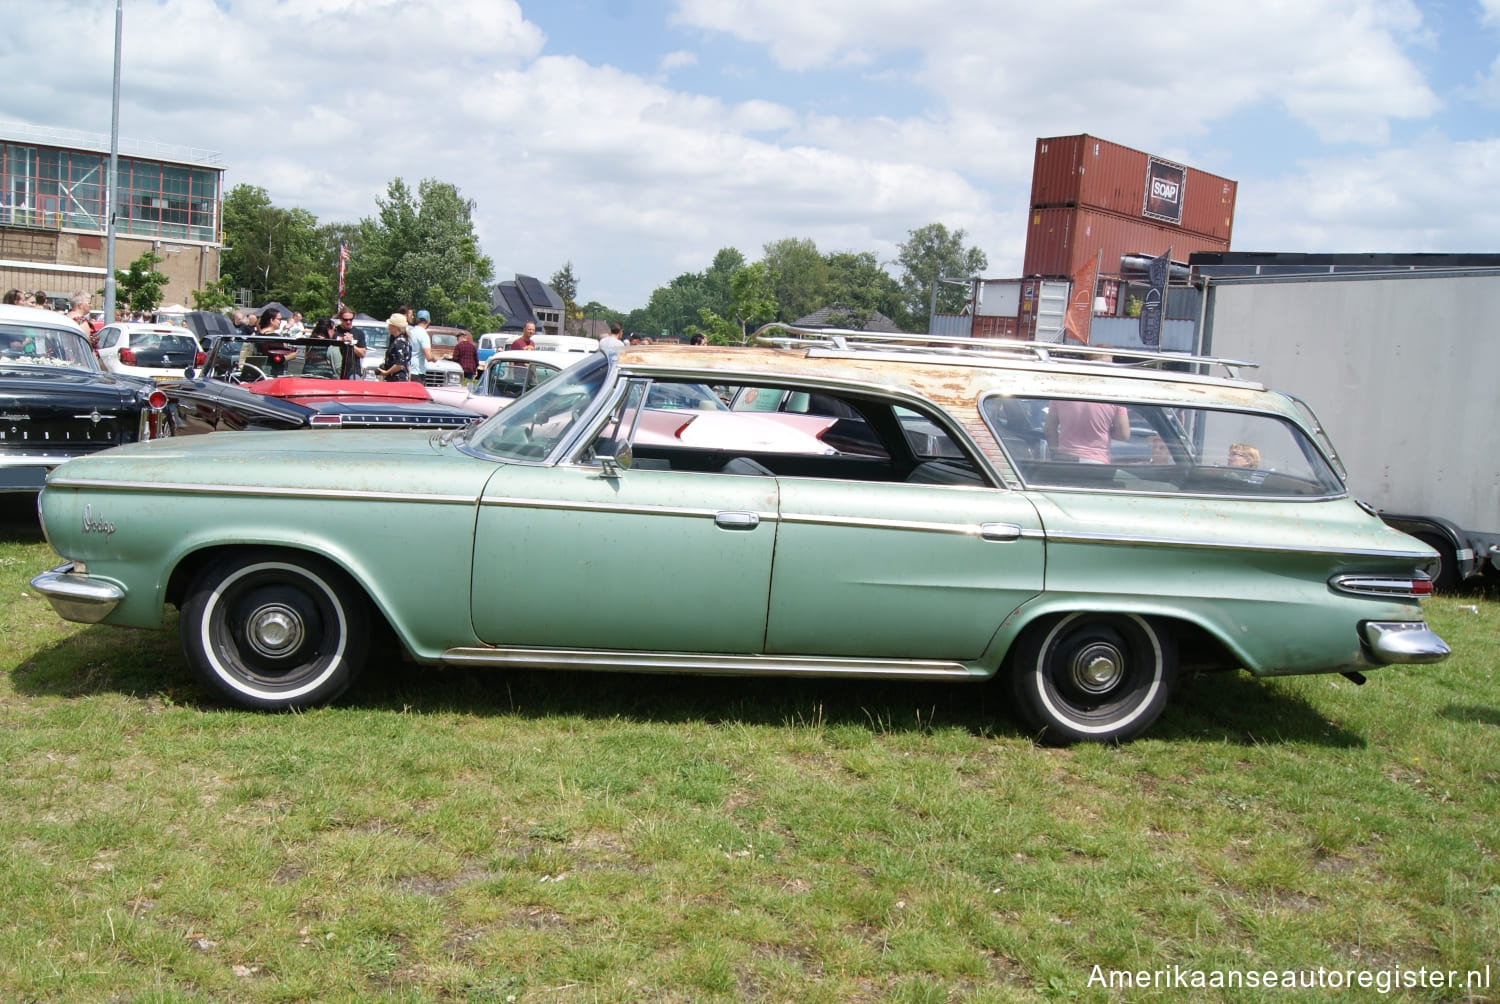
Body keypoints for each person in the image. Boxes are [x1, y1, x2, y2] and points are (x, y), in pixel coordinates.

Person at [1044, 399, 1130, 463]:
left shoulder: (1061, 394)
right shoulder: (1114, 396)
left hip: (1066, 458)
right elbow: (1123, 434)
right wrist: (1105, 430)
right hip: (1097, 461)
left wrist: (1056, 455)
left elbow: (1049, 430)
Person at [377, 312, 411, 381]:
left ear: (395, 327)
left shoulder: (400, 342)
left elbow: (399, 364)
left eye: (390, 325)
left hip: (397, 379)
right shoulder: (401, 340)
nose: (388, 327)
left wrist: (386, 372)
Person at [408, 309, 433, 384]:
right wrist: (435, 358)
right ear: (428, 321)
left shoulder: (410, 332)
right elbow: (428, 356)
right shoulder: (424, 334)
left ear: (416, 320)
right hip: (417, 372)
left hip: (409, 369)